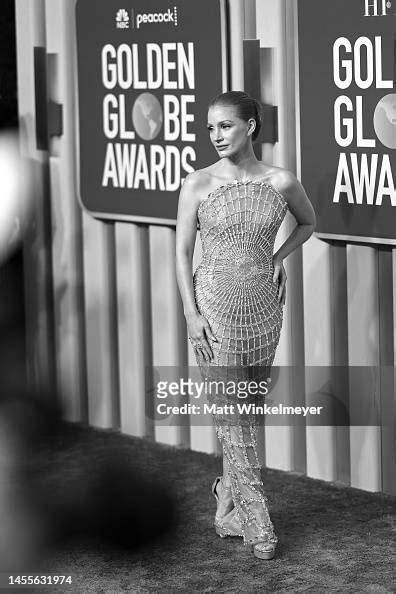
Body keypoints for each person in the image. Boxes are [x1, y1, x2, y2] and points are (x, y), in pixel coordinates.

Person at [175, 91, 316, 560]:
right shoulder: (196, 183)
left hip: (262, 307)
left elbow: (308, 222)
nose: (215, 136)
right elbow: (180, 252)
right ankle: (259, 525)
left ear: (251, 127)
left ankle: (226, 498)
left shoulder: (281, 181)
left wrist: (279, 258)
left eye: (226, 126)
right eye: (210, 127)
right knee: (231, 416)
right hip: (212, 306)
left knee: (247, 412)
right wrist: (191, 314)